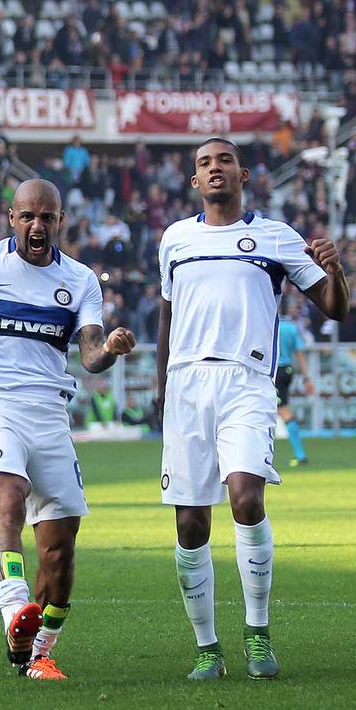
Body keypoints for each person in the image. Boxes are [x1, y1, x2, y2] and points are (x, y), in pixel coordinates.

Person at [0, 179, 136, 681]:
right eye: (28, 217)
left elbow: (90, 353)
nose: (37, 226)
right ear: (11, 217)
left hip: (50, 412)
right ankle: (14, 609)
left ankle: (38, 651)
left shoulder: (80, 279)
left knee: (60, 550)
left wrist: (112, 350)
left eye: (48, 218)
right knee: (9, 502)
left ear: (60, 221)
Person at [155, 138, 348, 681]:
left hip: (247, 380)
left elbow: (333, 309)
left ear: (242, 174)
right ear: (194, 180)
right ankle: (207, 647)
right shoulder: (175, 239)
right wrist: (161, 388)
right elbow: (167, 316)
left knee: (245, 496)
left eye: (223, 160)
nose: (214, 168)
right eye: (203, 163)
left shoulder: (276, 237)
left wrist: (335, 270)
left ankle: (258, 634)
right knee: (191, 523)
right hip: (186, 384)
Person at [275, 315, 312, 466]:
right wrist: (306, 378)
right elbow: (300, 353)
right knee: (279, 409)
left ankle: (301, 454)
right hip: (287, 370)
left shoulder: (267, 322)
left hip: (273, 372)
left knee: (283, 410)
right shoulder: (291, 327)